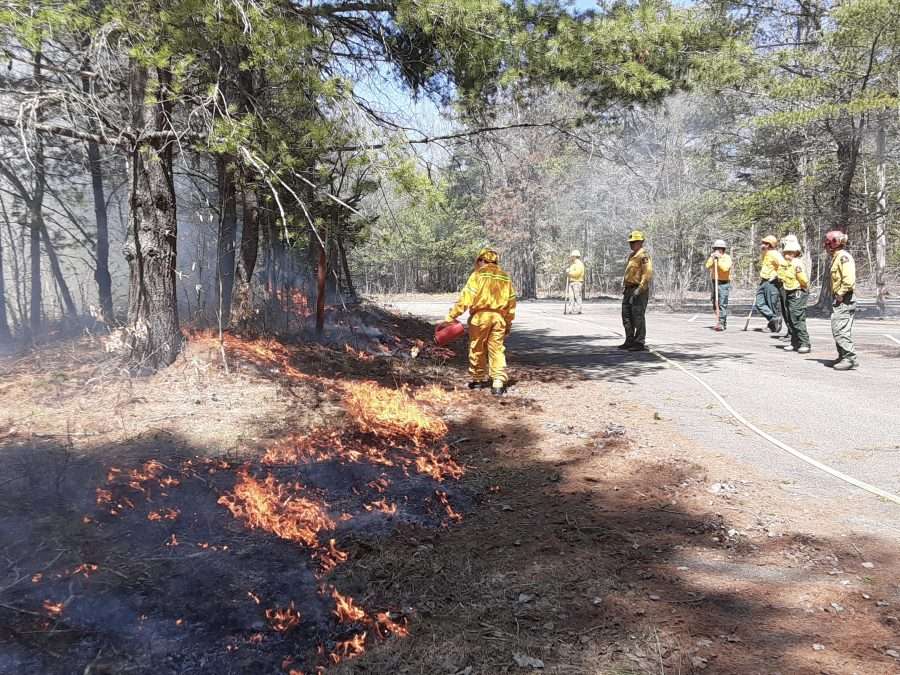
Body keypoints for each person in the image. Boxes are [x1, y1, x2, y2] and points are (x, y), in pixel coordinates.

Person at [442, 247, 517, 395]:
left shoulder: (477, 275)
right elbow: (511, 303)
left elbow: (465, 299)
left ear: (482, 260)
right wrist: (508, 323)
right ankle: (498, 383)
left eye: (479, 261)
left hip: (480, 318)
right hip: (499, 319)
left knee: (477, 348)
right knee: (497, 350)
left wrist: (451, 316)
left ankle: (477, 380)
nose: (478, 264)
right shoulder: (505, 277)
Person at [825, 230, 858, 370]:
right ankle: (843, 356)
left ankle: (849, 358)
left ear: (834, 243)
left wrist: (841, 293)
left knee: (840, 329)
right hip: (840, 297)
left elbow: (849, 280)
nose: (825, 246)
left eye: (827, 243)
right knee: (837, 327)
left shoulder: (844, 257)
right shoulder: (836, 257)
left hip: (844, 298)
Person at [619, 230, 653, 351]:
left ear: (640, 242)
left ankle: (639, 342)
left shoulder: (644, 256)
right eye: (630, 242)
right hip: (628, 289)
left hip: (639, 289)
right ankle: (629, 340)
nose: (631, 244)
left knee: (638, 316)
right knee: (626, 315)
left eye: (634, 242)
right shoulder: (632, 256)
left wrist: (639, 289)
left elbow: (647, 273)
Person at [779, 239, 810, 354]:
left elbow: (803, 279)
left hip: (798, 291)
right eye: (785, 252)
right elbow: (782, 276)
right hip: (789, 291)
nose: (787, 255)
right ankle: (795, 342)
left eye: (790, 252)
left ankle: (804, 342)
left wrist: (802, 288)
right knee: (790, 317)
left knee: (797, 317)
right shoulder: (786, 264)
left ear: (795, 253)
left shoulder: (797, 263)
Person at [755, 235, 785, 332]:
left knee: (772, 304)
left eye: (765, 243)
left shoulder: (775, 254)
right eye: (763, 243)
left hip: (771, 282)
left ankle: (773, 326)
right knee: (759, 303)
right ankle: (774, 318)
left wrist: (776, 275)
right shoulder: (765, 254)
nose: (762, 245)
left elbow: (783, 265)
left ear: (770, 245)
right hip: (763, 281)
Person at [704, 239, 732, 331]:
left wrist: (719, 259)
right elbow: (707, 266)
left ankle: (721, 322)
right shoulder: (713, 257)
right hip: (714, 282)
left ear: (723, 249)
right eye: (715, 248)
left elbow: (725, 268)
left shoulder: (727, 258)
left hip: (724, 283)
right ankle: (721, 320)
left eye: (719, 249)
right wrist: (712, 258)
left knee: (722, 304)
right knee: (715, 304)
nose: (717, 250)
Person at [565, 250, 585, 314]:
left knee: (577, 296)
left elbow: (577, 273)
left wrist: (569, 272)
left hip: (577, 282)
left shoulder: (579, 264)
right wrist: (568, 271)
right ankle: (570, 309)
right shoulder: (573, 264)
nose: (571, 257)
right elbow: (570, 273)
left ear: (575, 256)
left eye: (572, 256)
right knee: (571, 297)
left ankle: (579, 309)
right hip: (571, 282)